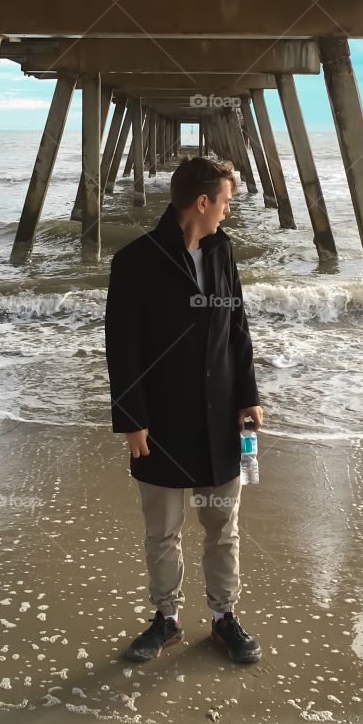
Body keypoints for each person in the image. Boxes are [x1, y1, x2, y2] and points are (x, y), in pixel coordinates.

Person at [104, 154, 264, 664]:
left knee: (223, 529)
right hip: (162, 422)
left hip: (220, 418)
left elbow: (237, 329)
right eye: (225, 203)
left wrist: (249, 396)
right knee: (163, 530)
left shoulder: (223, 252)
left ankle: (223, 619)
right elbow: (121, 347)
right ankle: (166, 620)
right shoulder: (135, 261)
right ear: (202, 202)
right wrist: (131, 420)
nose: (228, 212)